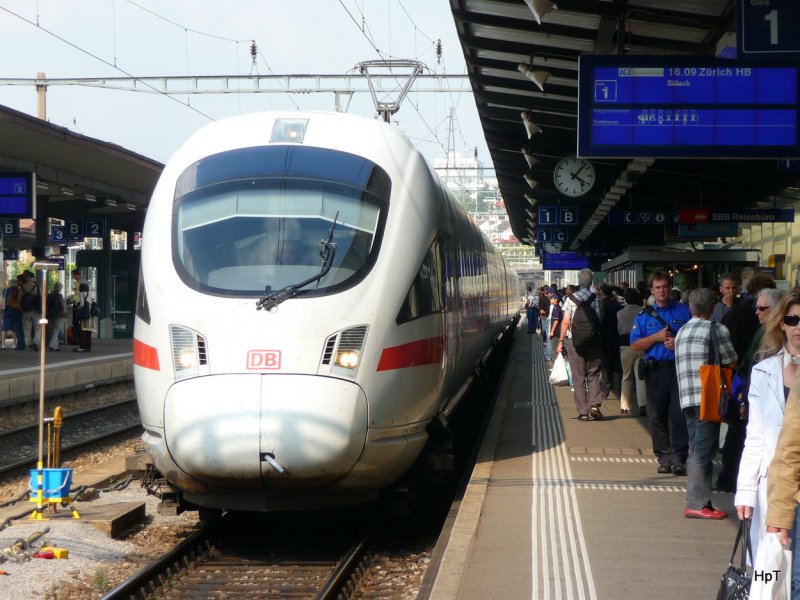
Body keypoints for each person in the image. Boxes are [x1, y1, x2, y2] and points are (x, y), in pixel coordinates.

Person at [736, 290, 798, 564]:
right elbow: (755, 437)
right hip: (771, 487)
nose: (799, 328)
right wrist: (746, 491)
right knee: (769, 574)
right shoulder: (763, 372)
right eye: (792, 320)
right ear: (781, 323)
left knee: (795, 579)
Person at [674, 287, 737, 519]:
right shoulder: (716, 328)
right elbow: (731, 359)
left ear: (691, 307)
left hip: (686, 398)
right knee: (704, 451)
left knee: (695, 448)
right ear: (712, 307)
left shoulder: (681, 332)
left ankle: (702, 502)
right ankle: (697, 504)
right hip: (707, 397)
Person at [716, 274, 778, 492]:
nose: (757, 312)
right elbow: (749, 361)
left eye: (762, 309)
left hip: (744, 383)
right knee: (748, 437)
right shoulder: (764, 331)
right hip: (751, 387)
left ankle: (730, 480)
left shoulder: (735, 316)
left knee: (740, 436)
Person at [630, 271, 692, 475]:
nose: (662, 291)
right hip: (655, 370)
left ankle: (679, 457)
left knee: (678, 414)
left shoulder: (683, 312)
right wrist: (655, 337)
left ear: (670, 288)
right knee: (657, 415)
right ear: (652, 290)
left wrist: (678, 343)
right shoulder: (643, 316)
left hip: (677, 370)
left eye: (665, 286)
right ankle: (664, 456)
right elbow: (635, 345)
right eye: (658, 287)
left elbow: (693, 338)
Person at [556, 268, 604, 421]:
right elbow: (600, 319)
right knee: (594, 373)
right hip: (594, 341)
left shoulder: (570, 298)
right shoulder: (596, 298)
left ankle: (583, 412)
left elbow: (565, 322)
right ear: (592, 280)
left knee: (578, 376)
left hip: (574, 342)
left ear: (579, 280)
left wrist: (561, 341)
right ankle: (595, 404)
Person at [617, 288, 646, 416]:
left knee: (626, 377)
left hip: (625, 345)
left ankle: (625, 406)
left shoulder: (620, 313)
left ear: (626, 299)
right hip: (641, 344)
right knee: (641, 377)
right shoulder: (643, 312)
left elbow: (619, 329)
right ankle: (643, 405)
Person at [598, 284, 622, 402]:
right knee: (616, 362)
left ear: (602, 292)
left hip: (605, 337)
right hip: (617, 336)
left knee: (606, 364)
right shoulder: (618, 306)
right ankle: (619, 388)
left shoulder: (601, 305)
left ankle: (606, 390)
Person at [19, 270, 42, 351]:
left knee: (27, 328)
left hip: (25, 310)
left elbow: (19, 300)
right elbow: (41, 298)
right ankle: (36, 341)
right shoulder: (37, 286)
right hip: (36, 310)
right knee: (38, 327)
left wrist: (21, 308)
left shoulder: (22, 287)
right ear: (33, 278)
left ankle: (28, 344)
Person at [73, 282, 95, 352]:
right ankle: (88, 347)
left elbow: (82, 304)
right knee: (88, 332)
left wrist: (77, 308)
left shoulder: (80, 294)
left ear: (80, 288)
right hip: (90, 315)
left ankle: (82, 347)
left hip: (84, 315)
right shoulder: (89, 295)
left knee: (83, 331)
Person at [2, 277, 23, 350]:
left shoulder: (5, 290)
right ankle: (14, 344)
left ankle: (3, 345)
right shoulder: (17, 290)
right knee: (15, 329)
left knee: (4, 328)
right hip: (16, 311)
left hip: (7, 311)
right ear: (16, 283)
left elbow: (3, 300)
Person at [46, 282, 67, 351]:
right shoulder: (59, 296)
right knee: (56, 330)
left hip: (50, 315)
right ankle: (52, 345)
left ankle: (55, 346)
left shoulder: (49, 295)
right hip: (58, 315)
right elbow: (61, 306)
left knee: (52, 330)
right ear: (60, 288)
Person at [70, 269, 83, 346]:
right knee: (75, 323)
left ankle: (78, 339)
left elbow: (81, 294)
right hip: (76, 303)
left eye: (72, 275)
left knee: (77, 322)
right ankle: (77, 339)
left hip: (79, 304)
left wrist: (75, 291)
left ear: (76, 275)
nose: (72, 277)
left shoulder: (82, 282)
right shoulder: (77, 282)